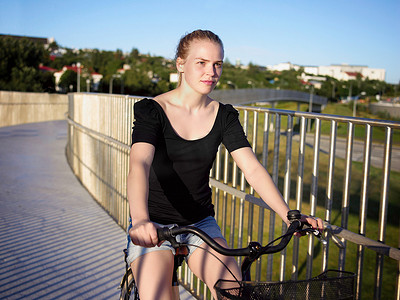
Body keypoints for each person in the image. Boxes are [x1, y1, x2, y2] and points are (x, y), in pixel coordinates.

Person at [126, 29, 323, 300]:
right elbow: (139, 163)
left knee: (233, 291)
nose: (212, 72)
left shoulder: (224, 115)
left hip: (200, 224)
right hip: (154, 223)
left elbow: (251, 168)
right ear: (180, 64)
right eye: (202, 63)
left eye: (218, 64)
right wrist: (140, 220)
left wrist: (288, 214)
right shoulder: (152, 110)